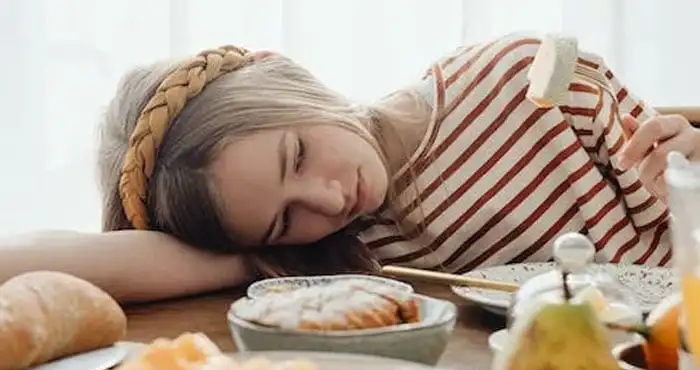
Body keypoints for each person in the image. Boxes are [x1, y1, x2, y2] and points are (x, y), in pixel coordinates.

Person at [1, 32, 698, 304]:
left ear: (285, 73)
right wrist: (251, 253)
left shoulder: (519, 77)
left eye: (296, 154)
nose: (330, 199)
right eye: (283, 217)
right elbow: (25, 262)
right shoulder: (329, 258)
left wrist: (687, 165)